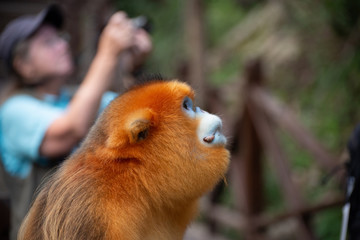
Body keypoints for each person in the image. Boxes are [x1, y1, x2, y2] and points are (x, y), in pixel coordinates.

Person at [0, 4, 152, 239]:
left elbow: (134, 112)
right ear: (24, 66)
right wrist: (108, 53)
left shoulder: (76, 98)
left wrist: (132, 63)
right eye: (48, 42)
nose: (63, 45)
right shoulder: (13, 110)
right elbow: (70, 130)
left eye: (60, 38)